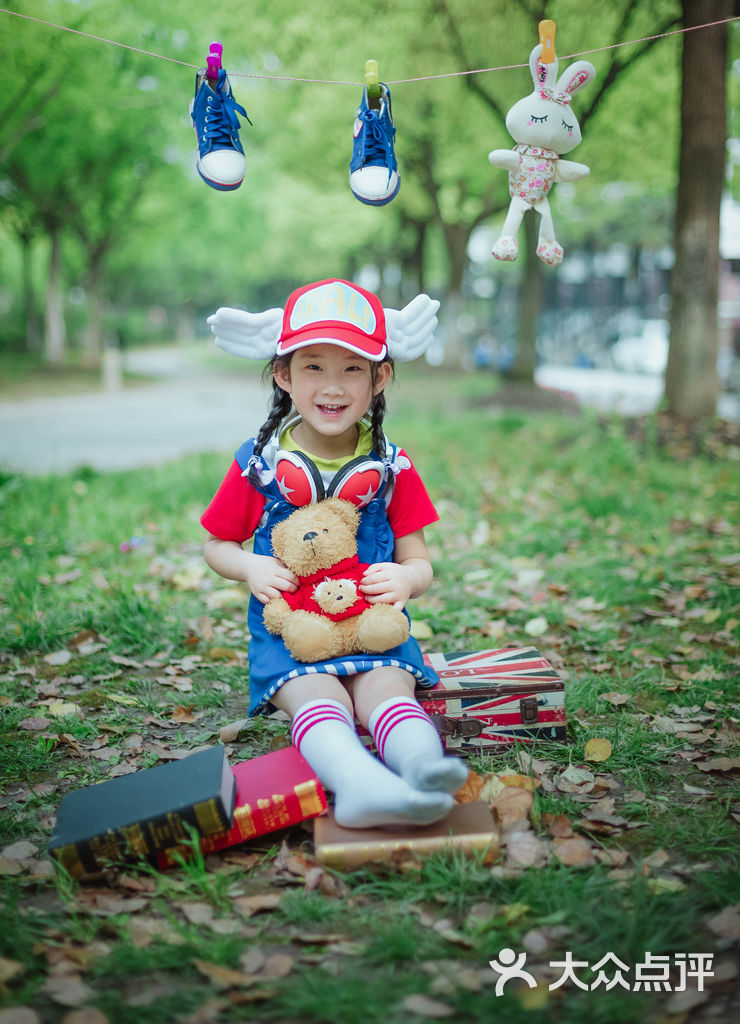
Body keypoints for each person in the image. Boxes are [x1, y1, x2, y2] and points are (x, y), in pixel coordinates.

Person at [201, 278, 467, 828]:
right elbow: (217, 545)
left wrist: (407, 580)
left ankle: (422, 767)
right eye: (314, 366)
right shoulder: (260, 463)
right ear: (284, 375)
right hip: (292, 638)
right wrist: (248, 564)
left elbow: (421, 561)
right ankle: (359, 785)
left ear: (380, 377)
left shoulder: (391, 468)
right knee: (322, 699)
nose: (333, 385)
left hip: (371, 626)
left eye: (352, 368)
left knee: (388, 688)